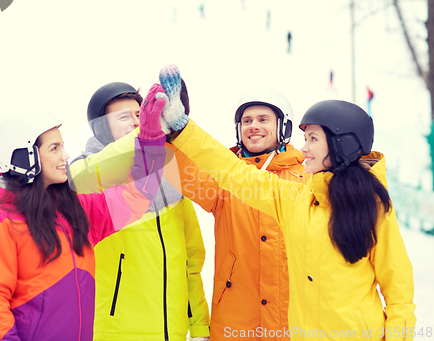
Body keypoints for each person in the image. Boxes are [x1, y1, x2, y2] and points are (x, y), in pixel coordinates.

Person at [158, 65, 416, 341]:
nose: (305, 148)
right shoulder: (292, 198)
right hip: (245, 323)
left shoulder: (366, 206)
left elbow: (398, 291)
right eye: (246, 121)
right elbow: (226, 170)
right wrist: (176, 133)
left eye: (313, 139)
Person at [0, 83, 168, 341]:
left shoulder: (76, 210)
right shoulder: (0, 223)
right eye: (54, 148)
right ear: (25, 157)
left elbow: (138, 195)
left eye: (62, 146)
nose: (65, 156)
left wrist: (149, 137)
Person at [69, 82, 210, 341]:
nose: (137, 122)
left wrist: (199, 325)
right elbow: (94, 173)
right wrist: (151, 133)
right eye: (124, 117)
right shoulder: (84, 173)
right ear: (101, 127)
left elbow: (190, 262)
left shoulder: (170, 176)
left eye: (140, 114)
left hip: (171, 333)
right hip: (113, 332)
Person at [167, 85, 305, 340]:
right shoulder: (224, 180)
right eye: (246, 121)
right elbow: (183, 171)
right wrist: (169, 135)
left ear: (283, 127)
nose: (253, 126)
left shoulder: (304, 180)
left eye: (263, 119)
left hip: (292, 321)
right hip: (235, 321)